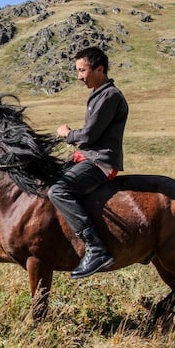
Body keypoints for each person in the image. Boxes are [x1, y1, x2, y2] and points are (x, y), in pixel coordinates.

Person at [48, 46, 128, 279]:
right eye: (78, 71)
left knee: (59, 191)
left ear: (99, 69)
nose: (79, 77)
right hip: (90, 157)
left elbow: (91, 135)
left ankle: (96, 248)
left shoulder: (110, 96)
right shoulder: (100, 94)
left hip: (100, 163)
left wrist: (68, 134)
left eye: (83, 70)